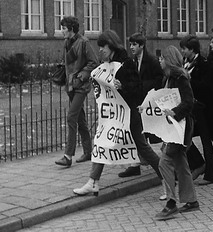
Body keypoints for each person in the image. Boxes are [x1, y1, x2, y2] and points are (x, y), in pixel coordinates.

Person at [73, 30, 162, 196]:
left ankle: (167, 177)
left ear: (111, 46)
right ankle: (93, 181)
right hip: (114, 117)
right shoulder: (107, 65)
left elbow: (137, 90)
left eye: (103, 47)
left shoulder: (126, 64)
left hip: (128, 115)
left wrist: (123, 87)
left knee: (142, 148)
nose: (100, 50)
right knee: (102, 143)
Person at [153, 45, 199, 220]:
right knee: (180, 163)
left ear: (169, 60)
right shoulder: (168, 78)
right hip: (174, 126)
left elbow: (188, 102)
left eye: (162, 58)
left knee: (164, 162)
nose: (160, 60)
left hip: (180, 127)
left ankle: (171, 203)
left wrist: (175, 112)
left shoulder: (180, 78)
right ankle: (191, 201)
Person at [118, 32, 164, 178]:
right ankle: (136, 162)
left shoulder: (151, 61)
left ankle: (162, 163)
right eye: (130, 44)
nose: (131, 47)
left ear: (142, 45)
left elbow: (159, 80)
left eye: (134, 45)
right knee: (137, 132)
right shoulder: (133, 61)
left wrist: (142, 86)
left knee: (147, 132)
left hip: (148, 101)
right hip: (137, 101)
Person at [55, 16, 98, 168]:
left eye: (64, 28)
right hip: (70, 86)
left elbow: (94, 62)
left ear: (71, 29)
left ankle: (68, 156)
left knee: (71, 117)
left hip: (80, 86)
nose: (62, 31)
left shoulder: (84, 42)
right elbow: (69, 63)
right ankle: (88, 152)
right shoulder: (67, 42)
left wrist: (81, 77)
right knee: (80, 119)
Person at [180, 35, 213, 186]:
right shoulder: (186, 63)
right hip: (191, 108)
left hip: (203, 108)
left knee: (206, 141)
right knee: (184, 136)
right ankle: (198, 164)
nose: (182, 51)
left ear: (192, 49)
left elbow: (208, 87)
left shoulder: (204, 64)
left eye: (184, 49)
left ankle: (211, 174)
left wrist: (190, 80)